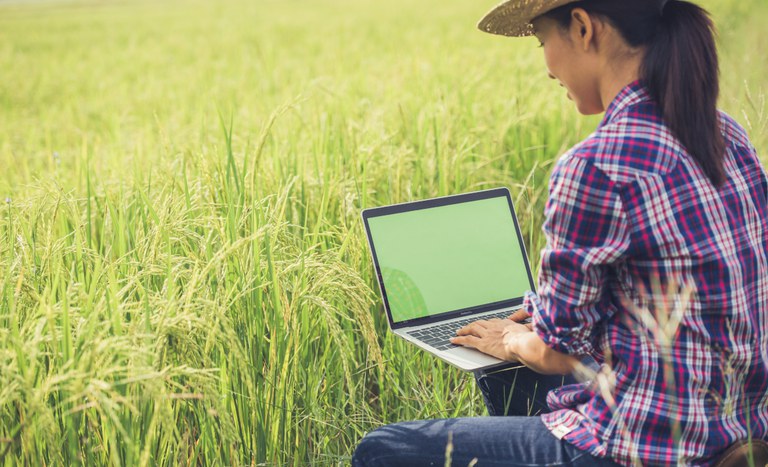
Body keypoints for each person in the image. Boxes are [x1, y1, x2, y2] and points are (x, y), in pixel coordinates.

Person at [352, 0, 768, 465]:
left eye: (541, 41)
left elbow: (553, 352)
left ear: (583, 27)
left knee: (383, 448)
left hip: (645, 448)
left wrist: (512, 339)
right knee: (517, 367)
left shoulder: (595, 165)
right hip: (738, 429)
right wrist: (533, 316)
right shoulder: (726, 134)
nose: (548, 68)